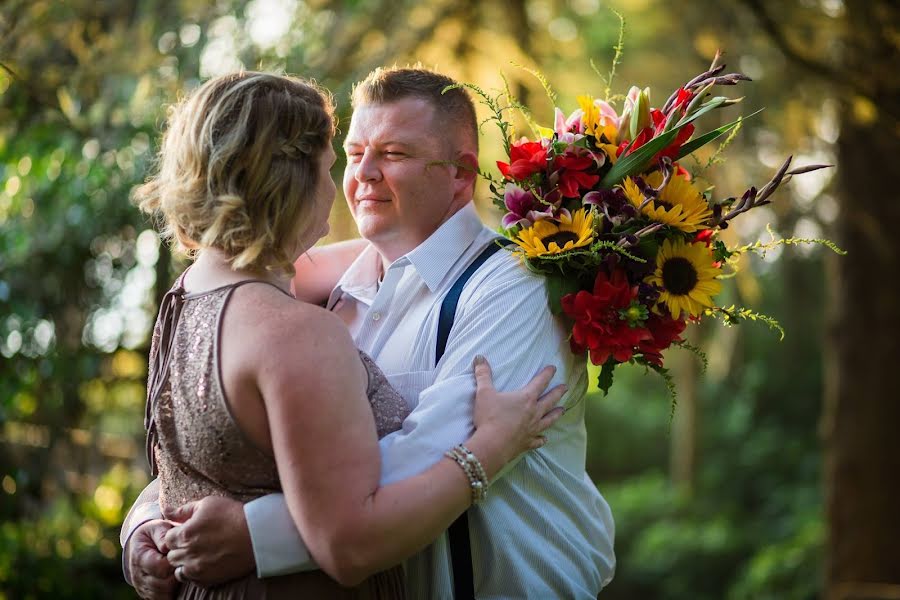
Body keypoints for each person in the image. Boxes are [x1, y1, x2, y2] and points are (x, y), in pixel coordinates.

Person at [123, 67, 616, 599]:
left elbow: (417, 458)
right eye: (354, 154)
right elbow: (227, 439)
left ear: (460, 174)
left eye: (394, 154)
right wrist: (148, 521)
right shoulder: (314, 289)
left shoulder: (514, 289)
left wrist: (255, 532)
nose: (364, 175)